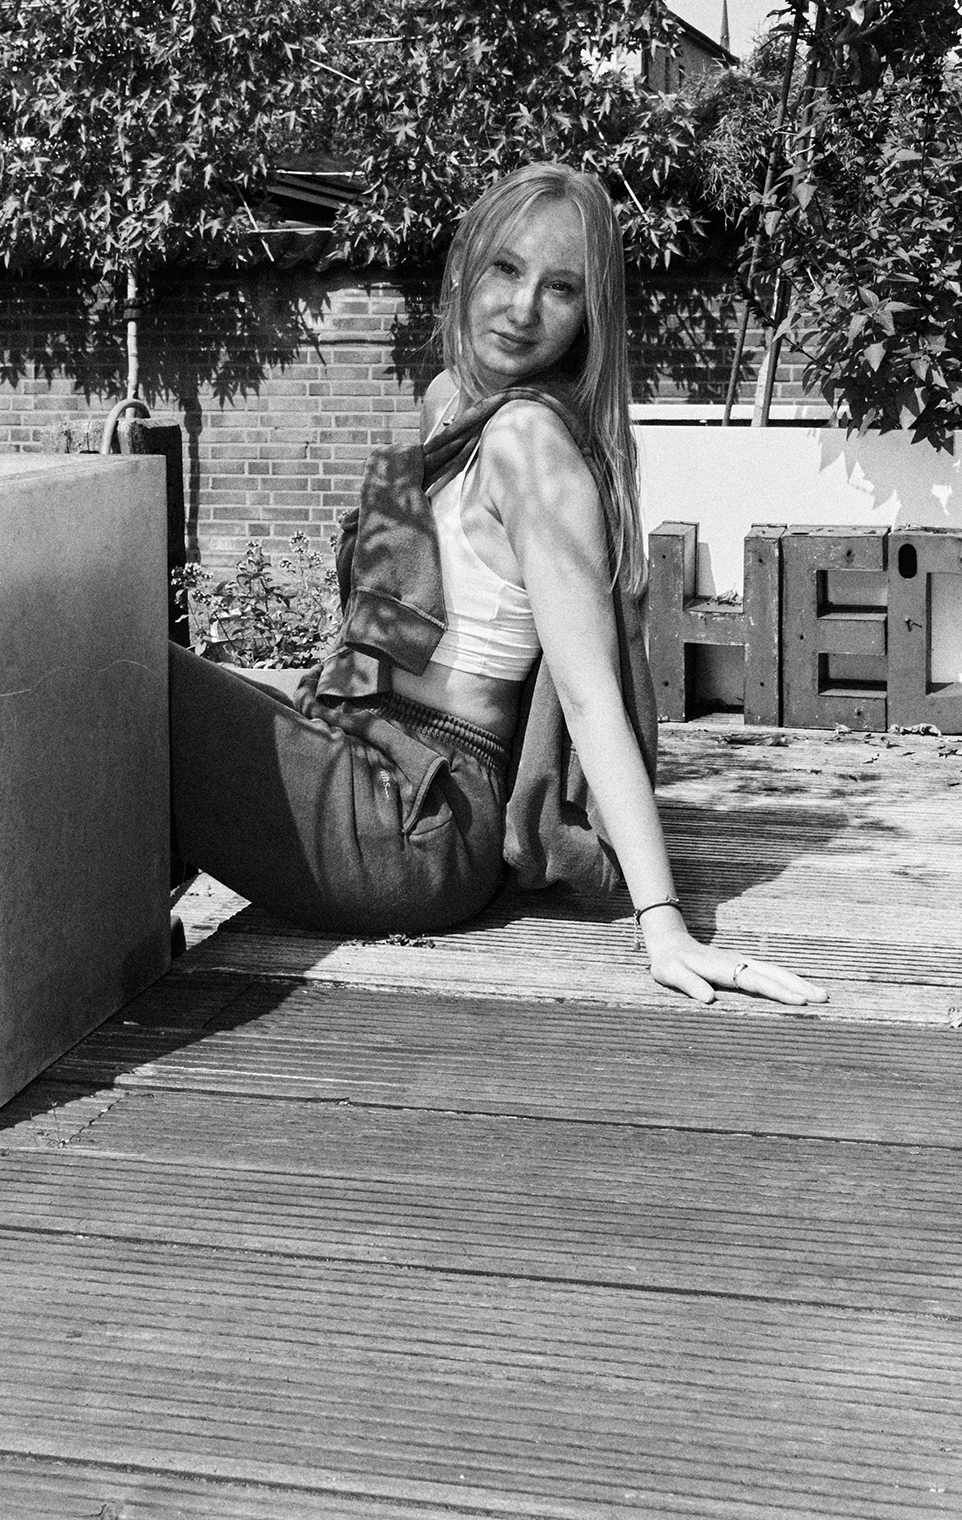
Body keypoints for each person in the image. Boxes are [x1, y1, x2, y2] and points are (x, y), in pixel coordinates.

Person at [170, 162, 825, 1009]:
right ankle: (117, 942)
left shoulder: (527, 444)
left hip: (416, 815)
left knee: (122, 673)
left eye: (561, 289)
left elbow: (592, 698)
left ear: (592, 316)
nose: (523, 309)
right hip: (356, 751)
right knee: (136, 689)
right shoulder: (449, 401)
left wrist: (663, 922)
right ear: (465, 268)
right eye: (507, 270)